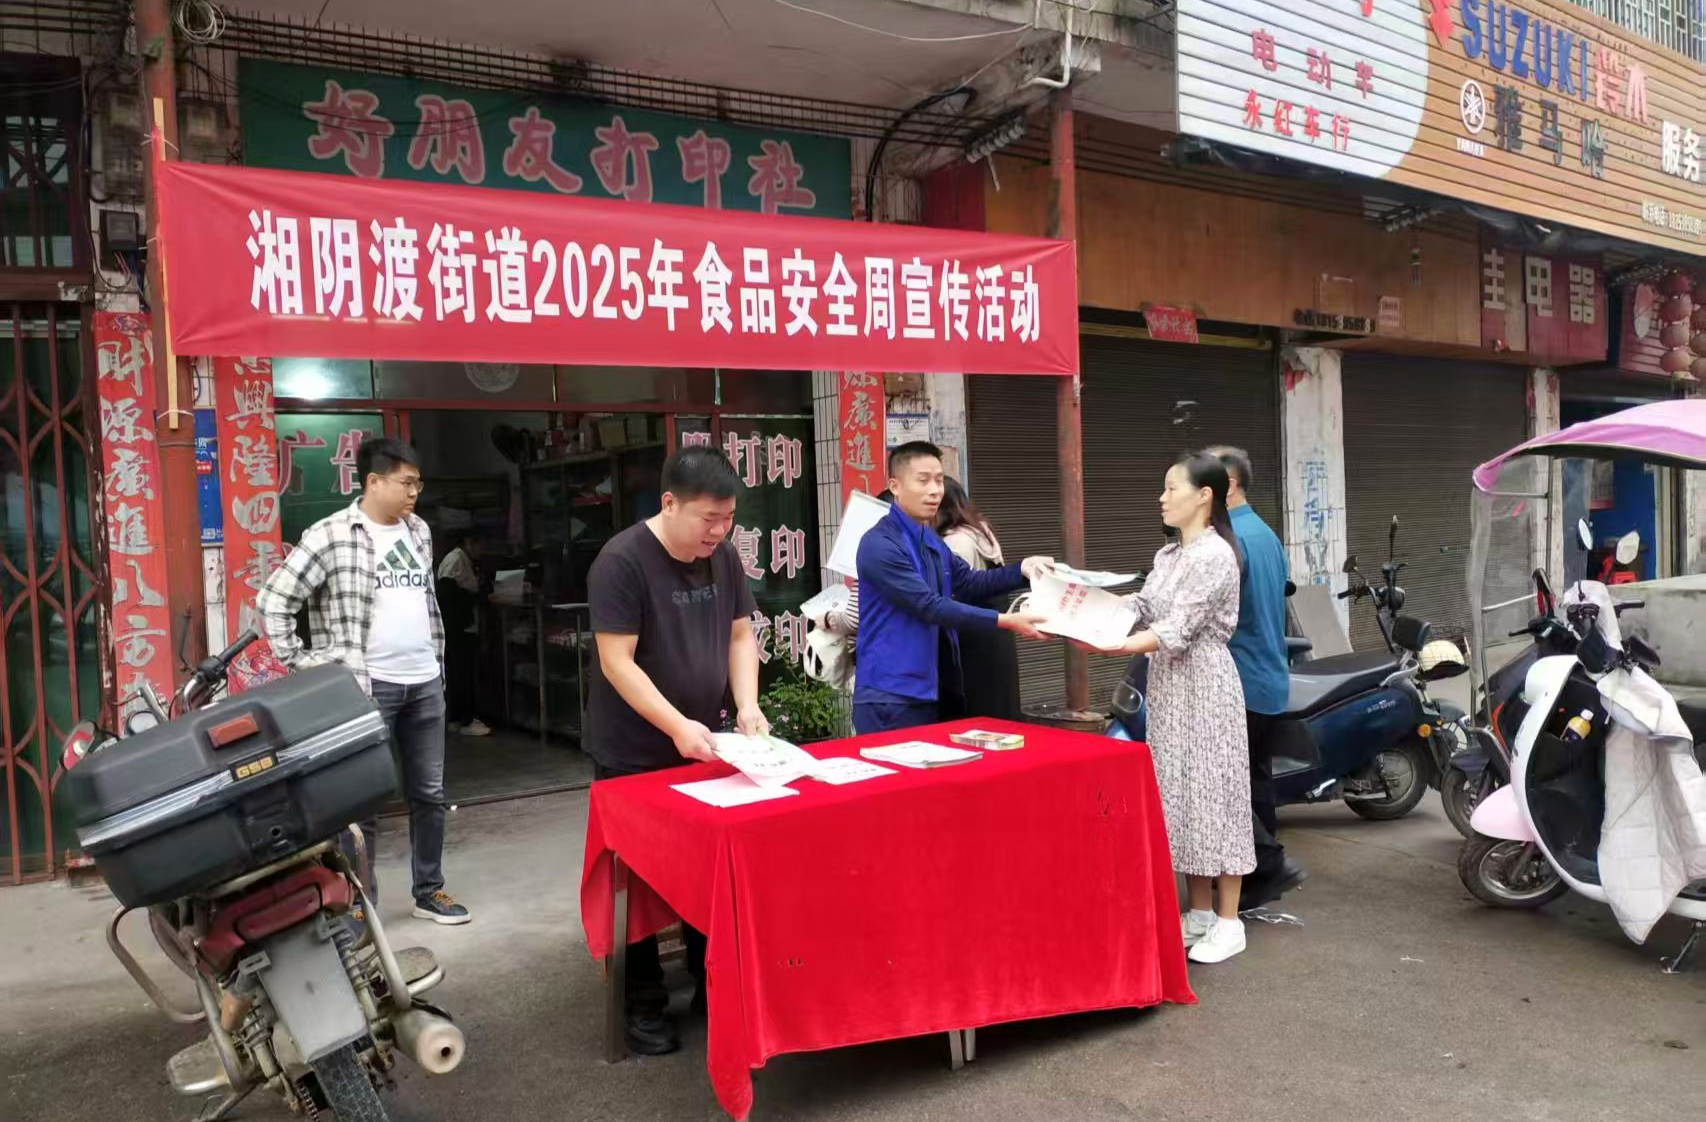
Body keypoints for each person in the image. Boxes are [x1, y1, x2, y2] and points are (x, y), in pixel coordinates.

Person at [587, 446, 769, 1056]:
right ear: (669, 503)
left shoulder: (724, 557)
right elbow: (617, 661)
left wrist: (746, 706)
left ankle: (712, 986)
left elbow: (740, 635)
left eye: (729, 519)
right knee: (637, 881)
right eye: (708, 519)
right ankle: (642, 1004)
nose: (719, 532)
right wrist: (675, 726)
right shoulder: (621, 562)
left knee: (707, 870)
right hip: (634, 752)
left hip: (705, 743)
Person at [256, 438, 470, 927]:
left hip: (425, 681)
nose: (414, 492)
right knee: (362, 800)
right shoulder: (330, 534)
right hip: (365, 688)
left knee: (430, 794)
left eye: (418, 484)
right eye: (407, 483)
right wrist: (305, 663)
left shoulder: (418, 530)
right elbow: (274, 599)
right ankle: (358, 902)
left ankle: (429, 891)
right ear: (374, 481)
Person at [1080, 452, 1255, 964]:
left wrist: (1114, 645)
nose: (1162, 498)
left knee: (1217, 796)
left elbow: (1179, 627)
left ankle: (1229, 921)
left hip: (1205, 684)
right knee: (1180, 796)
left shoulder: (1215, 555)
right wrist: (1082, 606)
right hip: (1169, 687)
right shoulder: (1170, 555)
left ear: (1204, 496)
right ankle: (1198, 912)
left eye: (1171, 488)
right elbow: (1143, 606)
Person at [853, 442, 1051, 734]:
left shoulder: (930, 538)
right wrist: (1004, 620)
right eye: (923, 480)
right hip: (891, 694)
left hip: (933, 686)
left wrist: (1022, 570)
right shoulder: (879, 544)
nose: (935, 490)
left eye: (939, 480)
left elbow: (969, 581)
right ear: (895, 486)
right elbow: (928, 605)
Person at [1206, 446, 1308, 908]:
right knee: (1254, 782)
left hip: (1238, 679)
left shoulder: (1229, 542)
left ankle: (1266, 867)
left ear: (1226, 484)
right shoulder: (1265, 534)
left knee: (1226, 785)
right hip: (1268, 676)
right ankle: (1253, 881)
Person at [937, 478, 1023, 722]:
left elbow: (956, 592)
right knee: (999, 710)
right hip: (997, 634)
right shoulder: (980, 530)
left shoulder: (954, 541)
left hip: (973, 640)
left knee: (976, 714)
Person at [436, 531, 490, 737]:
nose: (482, 551)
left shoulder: (465, 561)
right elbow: (448, 592)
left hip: (461, 626)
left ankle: (458, 717)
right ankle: (464, 719)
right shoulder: (455, 560)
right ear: (469, 542)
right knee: (462, 674)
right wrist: (474, 597)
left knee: (461, 674)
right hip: (458, 628)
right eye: (480, 545)